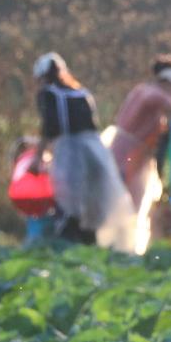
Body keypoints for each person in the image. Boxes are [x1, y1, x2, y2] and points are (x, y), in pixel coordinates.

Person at [30, 52, 137, 251]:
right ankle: (92, 242)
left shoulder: (48, 93)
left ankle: (70, 243)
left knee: (69, 200)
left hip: (70, 152)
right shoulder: (81, 92)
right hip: (96, 151)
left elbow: (50, 128)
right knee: (93, 199)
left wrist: (37, 158)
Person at [110, 54, 171, 252]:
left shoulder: (143, 92)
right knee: (124, 203)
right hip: (128, 154)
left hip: (132, 154)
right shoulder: (153, 94)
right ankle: (120, 246)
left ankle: (126, 246)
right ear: (169, 84)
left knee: (130, 203)